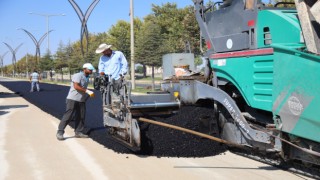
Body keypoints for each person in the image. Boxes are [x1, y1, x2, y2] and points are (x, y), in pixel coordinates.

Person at [56, 63, 95, 141]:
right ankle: (60, 132)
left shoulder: (87, 77)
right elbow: (76, 86)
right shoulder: (78, 75)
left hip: (81, 100)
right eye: (90, 70)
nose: (91, 71)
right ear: (85, 69)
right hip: (72, 99)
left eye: (91, 70)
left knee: (81, 116)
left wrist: (87, 95)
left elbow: (83, 88)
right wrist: (87, 91)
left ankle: (78, 132)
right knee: (68, 115)